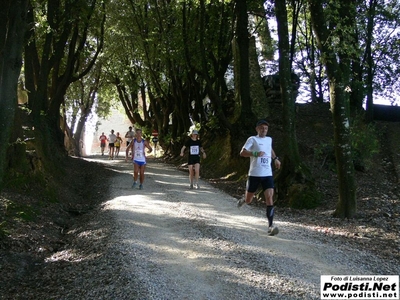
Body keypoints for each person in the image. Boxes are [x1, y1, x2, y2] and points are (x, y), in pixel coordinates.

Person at [237, 120, 281, 236]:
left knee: (270, 197)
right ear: (257, 129)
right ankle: (244, 199)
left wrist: (275, 158)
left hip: (267, 173)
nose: (264, 130)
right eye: (261, 128)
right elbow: (242, 153)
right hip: (255, 174)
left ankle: (271, 226)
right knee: (249, 200)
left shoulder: (269, 139)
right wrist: (255, 154)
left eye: (266, 128)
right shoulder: (252, 139)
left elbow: (269, 149)